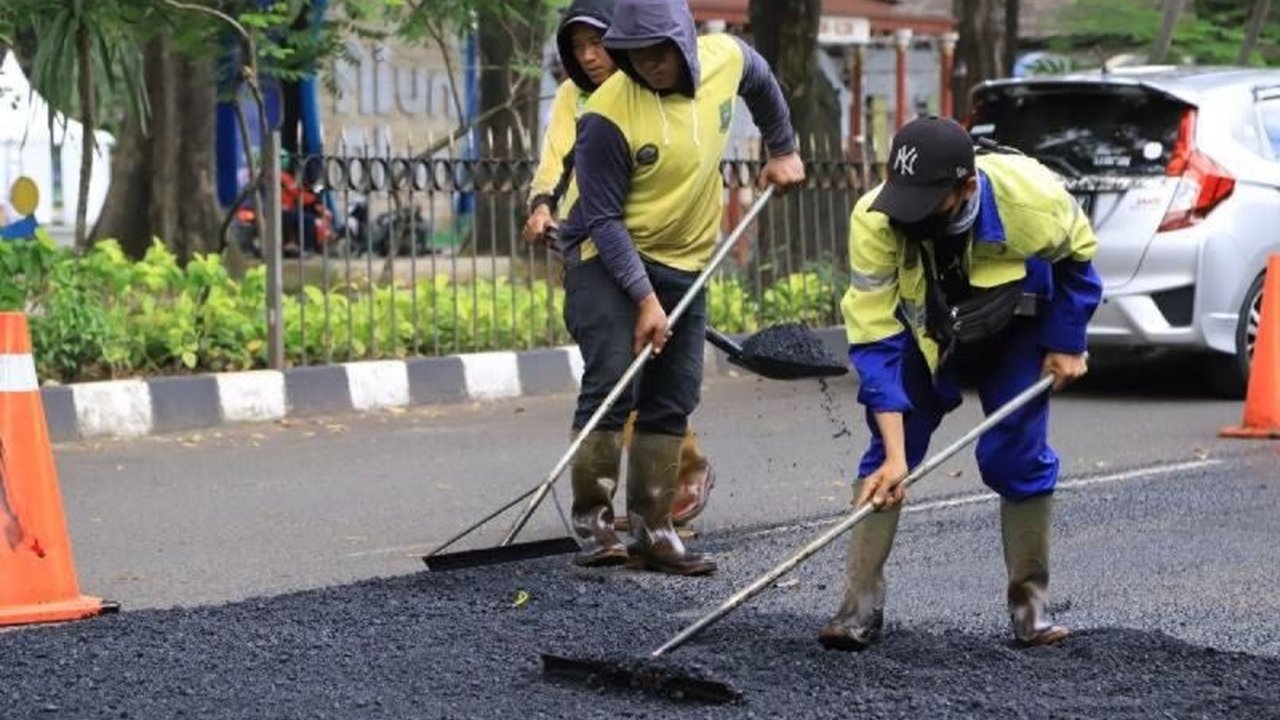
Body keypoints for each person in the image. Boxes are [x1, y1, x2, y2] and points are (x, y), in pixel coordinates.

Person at [819, 117, 1102, 650]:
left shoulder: (1030, 199)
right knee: (886, 456)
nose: (910, 218)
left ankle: (1030, 609)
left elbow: (1080, 262)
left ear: (966, 188)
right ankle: (857, 610)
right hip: (930, 331)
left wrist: (1068, 342)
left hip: (1015, 327)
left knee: (1014, 457)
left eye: (927, 206)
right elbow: (875, 336)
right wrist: (898, 456)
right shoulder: (876, 218)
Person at [555, 0, 804, 574]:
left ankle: (654, 527)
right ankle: (594, 523)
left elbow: (761, 79)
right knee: (615, 376)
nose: (649, 65)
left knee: (674, 392)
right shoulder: (606, 115)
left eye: (659, 52)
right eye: (635, 55)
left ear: (684, 43)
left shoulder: (724, 57)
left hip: (687, 259)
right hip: (609, 257)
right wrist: (644, 300)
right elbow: (603, 220)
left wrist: (783, 148)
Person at [521, 0, 717, 536]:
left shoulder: (659, 90)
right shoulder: (574, 97)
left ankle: (662, 504)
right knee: (613, 370)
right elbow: (556, 159)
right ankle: (598, 519)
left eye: (598, 42)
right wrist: (541, 206)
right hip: (592, 248)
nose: (588, 57)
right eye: (578, 46)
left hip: (652, 248)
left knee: (659, 381)